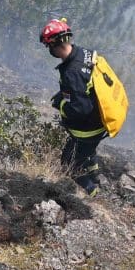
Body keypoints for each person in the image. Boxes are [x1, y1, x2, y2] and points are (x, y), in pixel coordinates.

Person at [40, 18, 106, 197]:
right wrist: (65, 94)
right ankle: (94, 174)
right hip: (99, 119)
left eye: (49, 46)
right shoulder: (85, 53)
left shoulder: (72, 72)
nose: (49, 50)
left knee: (70, 164)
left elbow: (80, 109)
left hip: (88, 128)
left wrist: (61, 105)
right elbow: (86, 88)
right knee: (88, 152)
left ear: (56, 44)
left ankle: (93, 193)